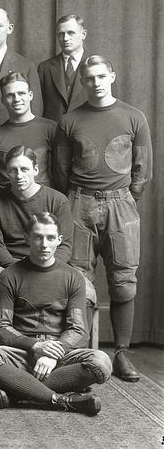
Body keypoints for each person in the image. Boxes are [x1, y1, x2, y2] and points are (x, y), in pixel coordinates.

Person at [54, 55, 152, 382]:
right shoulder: (70, 121)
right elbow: (61, 172)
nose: (95, 83)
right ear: (83, 82)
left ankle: (122, 352)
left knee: (124, 281)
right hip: (79, 202)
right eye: (89, 78)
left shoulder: (133, 117)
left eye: (101, 76)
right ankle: (80, 352)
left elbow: (141, 170)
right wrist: (77, 202)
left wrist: (122, 200)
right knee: (78, 279)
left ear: (112, 75)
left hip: (121, 205)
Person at [0, 213, 112, 415]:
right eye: (38, 237)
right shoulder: (10, 274)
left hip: (59, 357)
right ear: (28, 238)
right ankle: (60, 399)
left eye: (50, 238)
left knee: (101, 362)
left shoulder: (72, 277)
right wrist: (36, 347)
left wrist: (53, 354)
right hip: (22, 354)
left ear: (59, 241)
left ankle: (17, 391)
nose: (44, 244)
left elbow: (78, 329)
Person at [0, 145, 75, 319]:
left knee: (86, 293)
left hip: (49, 263)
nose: (19, 176)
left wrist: (42, 269)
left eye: (24, 169)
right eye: (13, 170)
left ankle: (67, 342)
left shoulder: (57, 201)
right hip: (7, 265)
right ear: (6, 172)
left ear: (36, 170)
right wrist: (21, 270)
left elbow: (65, 247)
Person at [0, 72, 56, 198]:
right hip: (5, 207)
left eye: (21, 93)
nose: (17, 99)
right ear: (3, 100)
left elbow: (60, 174)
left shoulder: (50, 129)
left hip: (43, 206)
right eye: (10, 95)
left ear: (30, 95)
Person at [38, 15, 88, 122]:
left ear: (83, 34)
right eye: (61, 34)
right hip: (54, 132)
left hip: (87, 131)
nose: (65, 38)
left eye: (71, 33)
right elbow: (37, 106)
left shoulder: (98, 66)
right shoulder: (45, 68)